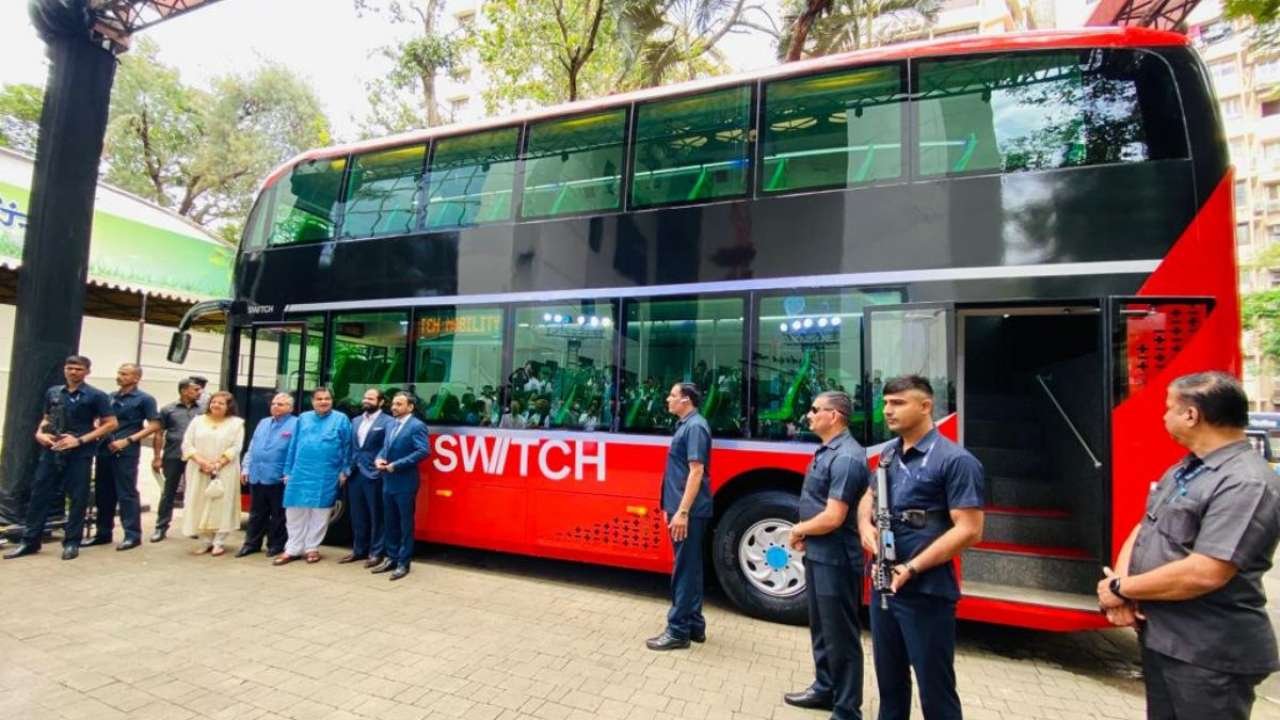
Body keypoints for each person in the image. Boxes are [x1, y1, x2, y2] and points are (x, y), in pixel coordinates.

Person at [1097, 372, 1280, 720]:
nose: (1164, 417)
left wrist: (1121, 587)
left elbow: (1206, 572)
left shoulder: (1246, 483)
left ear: (1192, 415)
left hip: (1208, 653)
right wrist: (1120, 590)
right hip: (1165, 639)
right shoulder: (1187, 469)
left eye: (1168, 409)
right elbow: (1145, 527)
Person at [856, 375, 984, 720]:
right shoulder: (888, 454)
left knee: (935, 690)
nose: (887, 410)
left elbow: (970, 530)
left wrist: (912, 567)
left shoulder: (956, 461)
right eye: (885, 403)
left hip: (925, 592)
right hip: (884, 588)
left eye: (897, 403)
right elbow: (868, 497)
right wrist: (864, 526)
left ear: (925, 406)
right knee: (890, 684)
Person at [785, 391, 870, 720]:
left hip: (837, 559)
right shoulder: (827, 451)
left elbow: (834, 516)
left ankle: (847, 709)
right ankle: (825, 688)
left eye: (815, 409)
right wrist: (809, 533)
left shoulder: (847, 457)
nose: (809, 415)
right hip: (821, 554)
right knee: (821, 627)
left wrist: (800, 529)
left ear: (834, 416)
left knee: (841, 635)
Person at [5, 355, 117, 561]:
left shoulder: (96, 395)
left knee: (77, 498)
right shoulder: (53, 392)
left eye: (78, 369)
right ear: (64, 369)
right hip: (52, 451)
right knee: (39, 495)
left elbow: (110, 424)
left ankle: (72, 542)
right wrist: (39, 433)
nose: (73, 372)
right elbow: (46, 418)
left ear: (87, 372)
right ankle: (30, 541)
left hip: (79, 454)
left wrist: (80, 440)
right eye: (70, 368)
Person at [646, 382, 713, 651]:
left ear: (685, 400)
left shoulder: (695, 426)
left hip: (690, 511)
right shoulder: (688, 424)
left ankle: (677, 631)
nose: (667, 399)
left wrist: (682, 512)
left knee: (683, 570)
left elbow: (696, 471)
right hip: (684, 509)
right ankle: (695, 624)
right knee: (692, 568)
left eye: (672, 395)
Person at [84, 363, 160, 551]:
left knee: (126, 492)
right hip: (105, 448)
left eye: (125, 374)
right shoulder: (109, 397)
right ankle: (103, 533)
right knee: (103, 492)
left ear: (136, 378)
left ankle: (132, 535)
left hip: (126, 450)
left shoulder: (145, 399)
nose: (120, 376)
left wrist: (129, 440)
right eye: (119, 373)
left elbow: (154, 425)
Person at [277, 387, 352, 565]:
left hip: (326, 472)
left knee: (320, 512)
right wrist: (288, 471)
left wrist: (344, 470)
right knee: (294, 511)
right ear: (313, 402)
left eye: (327, 399)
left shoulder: (341, 419)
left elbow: (348, 447)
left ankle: (311, 548)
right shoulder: (303, 418)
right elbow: (293, 445)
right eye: (319, 399)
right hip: (300, 471)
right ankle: (292, 549)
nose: (323, 402)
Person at [371, 391, 430, 581]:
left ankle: (404, 563)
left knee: (405, 524)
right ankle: (391, 557)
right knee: (390, 522)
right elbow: (385, 448)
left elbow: (423, 451)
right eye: (393, 404)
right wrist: (379, 458)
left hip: (405, 482)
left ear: (410, 407)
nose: (394, 407)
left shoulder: (417, 426)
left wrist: (396, 465)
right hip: (388, 481)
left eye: (399, 404)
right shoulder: (391, 424)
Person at [180, 391, 245, 556]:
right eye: (214, 402)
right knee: (199, 501)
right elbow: (187, 444)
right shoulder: (197, 421)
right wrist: (202, 462)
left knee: (222, 503)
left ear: (228, 406)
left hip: (225, 470)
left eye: (221, 403)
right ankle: (205, 541)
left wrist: (217, 464)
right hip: (199, 469)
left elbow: (235, 447)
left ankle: (219, 542)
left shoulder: (236, 424)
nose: (216, 405)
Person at [237, 393, 296, 558]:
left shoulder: (295, 424)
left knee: (278, 514)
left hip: (278, 476)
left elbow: (294, 451)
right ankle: (251, 544)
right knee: (256, 513)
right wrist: (246, 468)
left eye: (281, 404)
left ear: (290, 408)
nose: (276, 406)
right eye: (274, 403)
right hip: (257, 474)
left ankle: (276, 545)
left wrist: (288, 472)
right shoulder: (263, 422)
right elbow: (252, 446)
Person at [345, 388, 394, 567]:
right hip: (355, 473)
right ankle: (359, 550)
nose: (366, 401)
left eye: (371, 398)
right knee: (357, 515)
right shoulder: (356, 420)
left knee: (377, 515)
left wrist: (379, 461)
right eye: (365, 397)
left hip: (374, 473)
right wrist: (346, 468)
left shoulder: (388, 421)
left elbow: (387, 445)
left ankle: (376, 553)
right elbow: (351, 446)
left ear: (380, 402)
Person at [151, 378, 202, 542]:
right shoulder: (168, 409)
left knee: (194, 491)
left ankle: (192, 526)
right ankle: (161, 527)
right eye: (195, 389)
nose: (199, 392)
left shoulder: (203, 410)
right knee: (168, 492)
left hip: (195, 456)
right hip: (173, 455)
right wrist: (157, 457)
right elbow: (159, 433)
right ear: (184, 391)